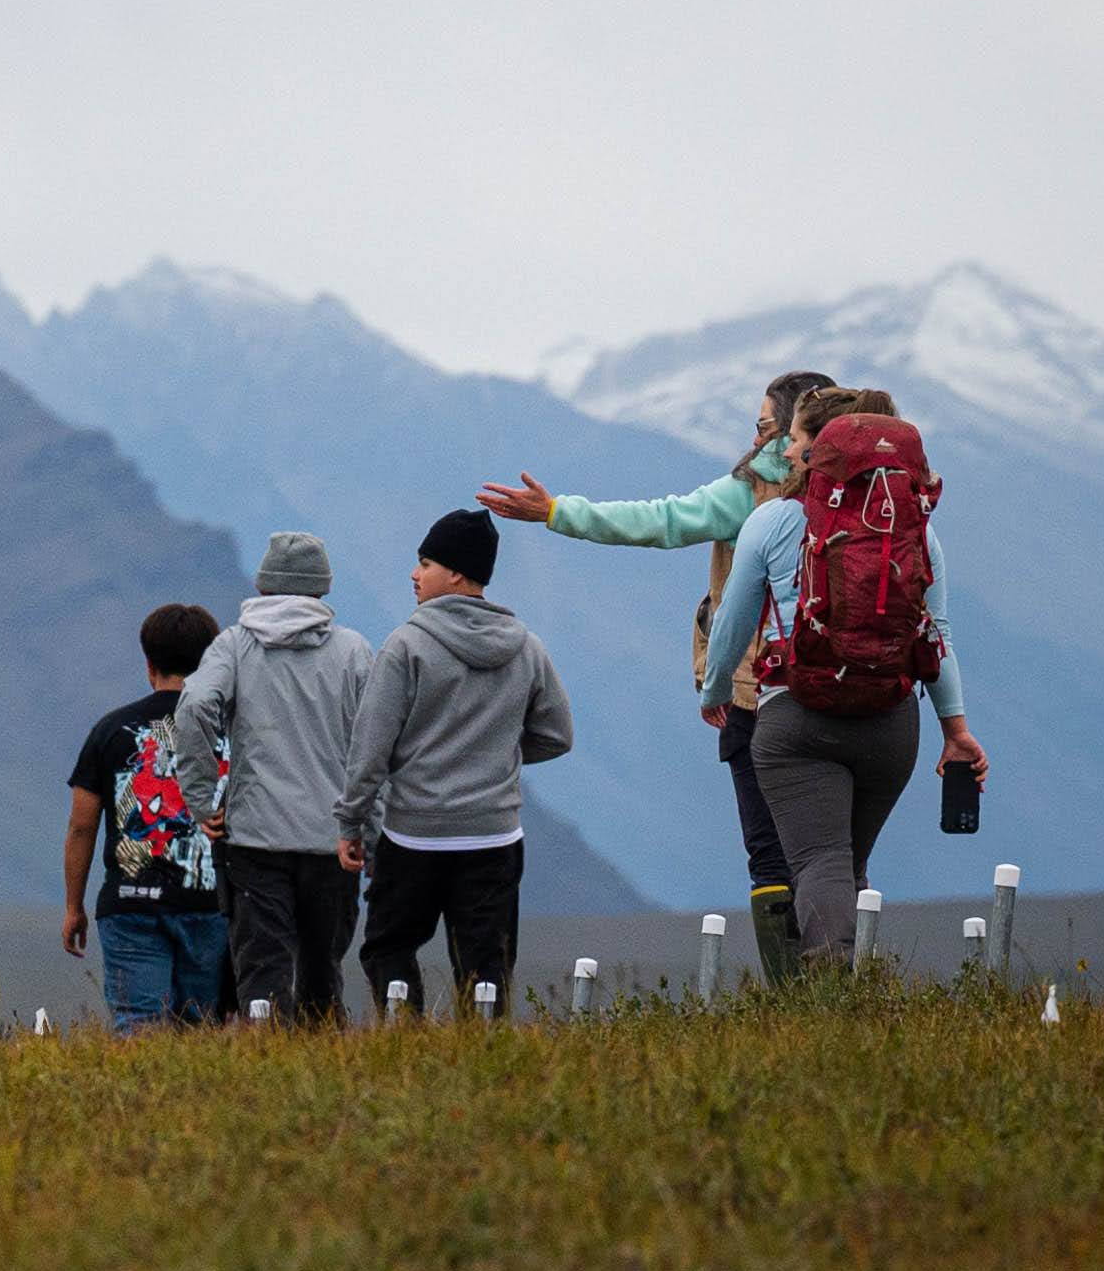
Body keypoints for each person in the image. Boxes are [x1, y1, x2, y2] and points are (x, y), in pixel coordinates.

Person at [476, 367, 834, 983]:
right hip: (853, 695)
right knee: (834, 852)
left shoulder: (754, 494)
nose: (754, 443)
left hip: (759, 694)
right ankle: (844, 982)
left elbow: (660, 521)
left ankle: (796, 996)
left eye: (764, 428)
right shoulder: (866, 500)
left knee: (771, 853)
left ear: (791, 433)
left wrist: (559, 512)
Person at [698, 386, 989, 964]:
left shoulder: (774, 522)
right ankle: (840, 992)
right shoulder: (916, 532)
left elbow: (731, 625)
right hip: (891, 723)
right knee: (845, 863)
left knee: (817, 861)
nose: (787, 451)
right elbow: (940, 635)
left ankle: (827, 994)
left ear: (821, 450)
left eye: (798, 439)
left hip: (797, 718)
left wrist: (713, 690)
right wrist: (955, 731)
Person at [335, 509, 574, 1016]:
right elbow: (557, 735)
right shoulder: (526, 648)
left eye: (426, 563)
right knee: (486, 964)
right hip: (494, 837)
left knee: (388, 947)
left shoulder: (406, 646)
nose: (414, 574)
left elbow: (369, 749)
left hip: (414, 836)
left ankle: (406, 1045)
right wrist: (495, 754)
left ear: (458, 573)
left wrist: (351, 820)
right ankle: (482, 1056)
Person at [176, 533, 370, 1026]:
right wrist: (367, 824)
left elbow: (196, 705)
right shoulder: (353, 652)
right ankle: (322, 1070)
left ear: (263, 585)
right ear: (322, 589)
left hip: (255, 840)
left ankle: (266, 1063)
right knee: (322, 970)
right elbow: (377, 745)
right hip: (333, 841)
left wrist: (202, 800)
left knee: (262, 970)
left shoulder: (235, 646)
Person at [64, 602, 229, 1030]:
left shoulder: (110, 730)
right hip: (211, 903)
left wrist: (73, 906)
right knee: (201, 1029)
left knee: (138, 1025)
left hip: (131, 904)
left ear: (149, 663)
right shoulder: (231, 729)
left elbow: (82, 825)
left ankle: (142, 1098)